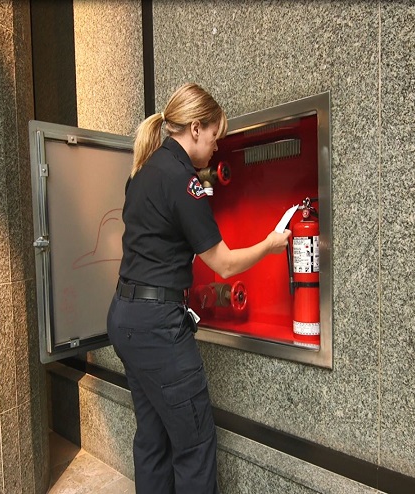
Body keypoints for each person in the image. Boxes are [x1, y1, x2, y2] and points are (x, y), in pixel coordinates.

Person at [106, 83, 291, 494]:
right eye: (214, 136)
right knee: (194, 444)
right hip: (158, 327)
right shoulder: (182, 180)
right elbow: (223, 264)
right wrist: (270, 244)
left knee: (152, 438)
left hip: (125, 317)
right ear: (194, 128)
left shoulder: (144, 170)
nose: (217, 146)